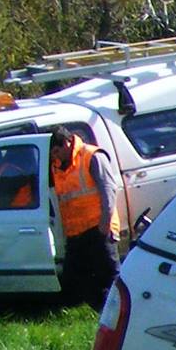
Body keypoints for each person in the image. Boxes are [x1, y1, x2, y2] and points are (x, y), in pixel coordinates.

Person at [49, 125, 121, 308]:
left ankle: (120, 313)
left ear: (66, 143)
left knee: (110, 276)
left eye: (57, 151)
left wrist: (105, 226)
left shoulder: (92, 156)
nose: (55, 156)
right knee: (78, 279)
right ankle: (102, 311)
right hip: (76, 233)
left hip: (98, 228)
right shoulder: (57, 166)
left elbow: (109, 191)